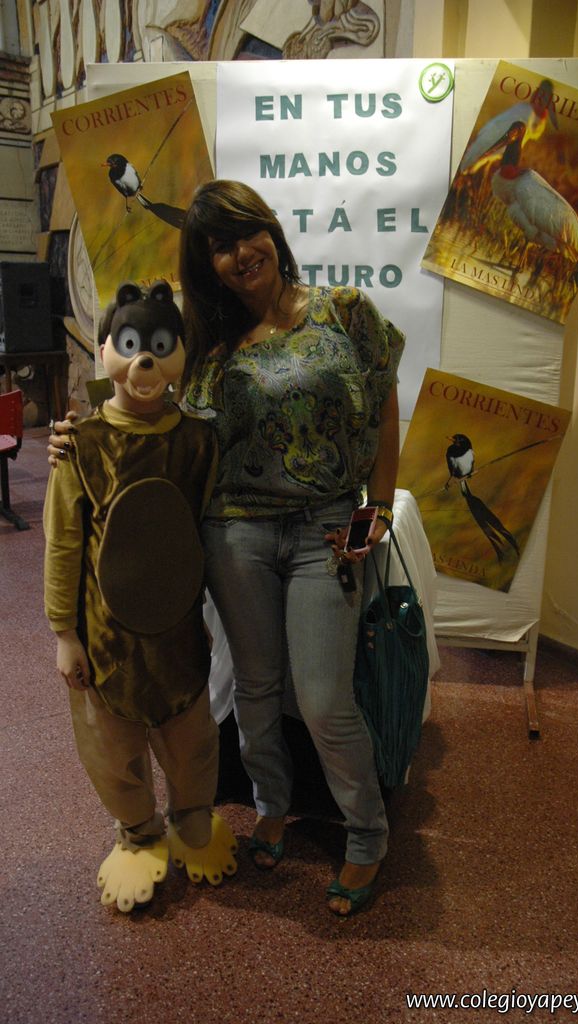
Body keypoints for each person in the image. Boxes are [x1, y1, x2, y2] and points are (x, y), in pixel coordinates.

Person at [51, 179, 404, 917]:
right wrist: (77, 438)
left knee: (324, 698)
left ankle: (367, 832)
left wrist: (375, 508)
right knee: (255, 687)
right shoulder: (210, 346)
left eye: (248, 233)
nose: (240, 253)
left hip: (324, 529)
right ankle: (271, 807)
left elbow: (383, 404)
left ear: (272, 231)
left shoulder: (343, 311)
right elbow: (150, 417)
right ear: (207, 263)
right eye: (219, 246)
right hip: (236, 531)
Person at [44, 280, 238, 913]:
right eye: (129, 346)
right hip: (106, 636)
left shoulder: (200, 442)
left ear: (180, 353)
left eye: (158, 346)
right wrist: (64, 633)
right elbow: (63, 541)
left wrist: (211, 613)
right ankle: (136, 831)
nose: (144, 363)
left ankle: (191, 816)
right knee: (111, 742)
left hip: (179, 629)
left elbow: (205, 532)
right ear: (105, 350)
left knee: (192, 734)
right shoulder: (84, 444)